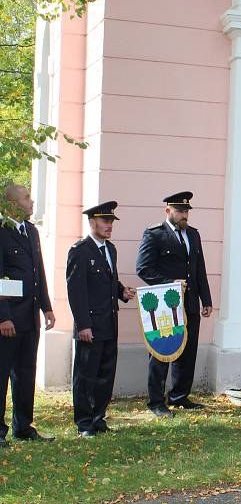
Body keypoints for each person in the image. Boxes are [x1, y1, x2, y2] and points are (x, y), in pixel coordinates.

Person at [136, 192, 212, 416]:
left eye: (186, 211)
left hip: (189, 302)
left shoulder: (193, 235)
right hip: (165, 304)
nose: (184, 215)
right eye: (179, 211)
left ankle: (180, 396)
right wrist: (170, 283)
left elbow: (199, 269)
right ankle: (156, 402)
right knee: (162, 352)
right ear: (167, 211)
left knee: (188, 351)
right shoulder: (154, 235)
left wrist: (206, 299)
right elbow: (143, 268)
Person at [67, 201, 135, 437]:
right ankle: (84, 423)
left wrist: (122, 292)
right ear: (92, 221)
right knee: (86, 375)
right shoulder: (80, 250)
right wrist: (83, 324)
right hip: (91, 325)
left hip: (109, 321)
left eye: (111, 222)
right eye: (105, 221)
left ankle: (98, 418)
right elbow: (76, 292)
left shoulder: (110, 249)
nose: (109, 226)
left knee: (105, 374)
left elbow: (109, 281)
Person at [0, 183, 56, 447]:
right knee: (2, 374)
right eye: (26, 198)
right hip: (8, 320)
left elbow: (38, 273)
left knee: (26, 372)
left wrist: (47, 306)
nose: (32, 202)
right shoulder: (2, 231)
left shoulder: (31, 231)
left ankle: (23, 425)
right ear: (12, 204)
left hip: (29, 317)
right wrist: (3, 316)